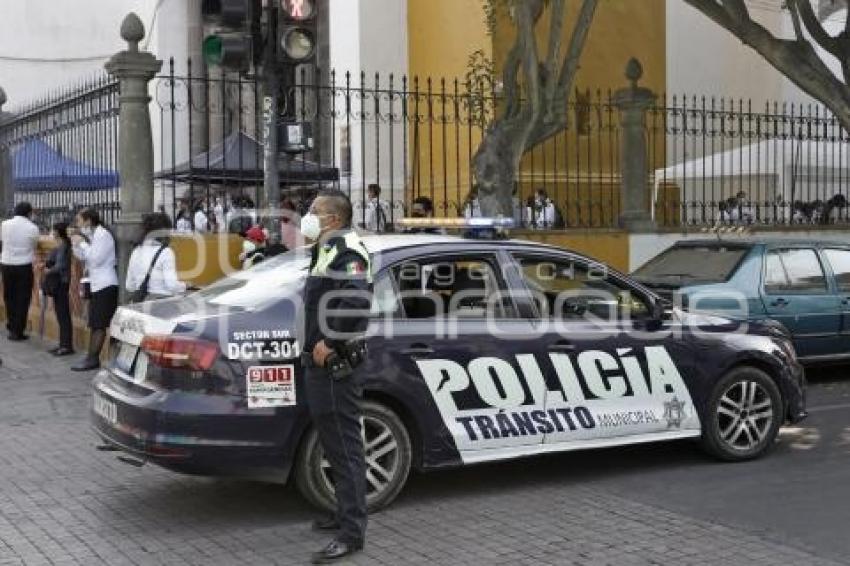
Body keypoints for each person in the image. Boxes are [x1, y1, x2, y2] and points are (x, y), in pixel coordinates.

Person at [300, 190, 372, 563]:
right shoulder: (326, 249)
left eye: (315, 211)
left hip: (336, 367)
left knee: (345, 450)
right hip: (321, 367)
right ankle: (343, 513)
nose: (307, 216)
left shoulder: (348, 252)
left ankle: (351, 533)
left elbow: (356, 302)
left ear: (334, 220)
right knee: (333, 446)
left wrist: (330, 340)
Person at [70, 208, 118, 371]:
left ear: (88, 220)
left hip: (106, 284)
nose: (78, 224)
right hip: (97, 284)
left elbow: (96, 260)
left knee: (99, 324)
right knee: (95, 323)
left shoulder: (103, 235)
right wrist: (75, 243)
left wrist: (82, 243)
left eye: (79, 220)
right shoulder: (94, 236)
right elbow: (83, 257)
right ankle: (91, 357)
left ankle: (93, 359)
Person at [0, 202, 40, 341]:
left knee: (9, 296)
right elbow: (34, 245)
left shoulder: (4, 225)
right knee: (23, 298)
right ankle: (18, 330)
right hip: (23, 265)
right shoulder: (32, 228)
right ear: (29, 213)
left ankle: (11, 326)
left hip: (6, 264)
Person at [126, 213, 187, 301]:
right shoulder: (165, 252)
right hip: (161, 304)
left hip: (140, 303)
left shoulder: (136, 251)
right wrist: (185, 285)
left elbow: (129, 286)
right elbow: (172, 286)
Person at [44, 222, 74, 356]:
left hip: (61, 282)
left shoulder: (63, 246)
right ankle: (63, 344)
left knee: (63, 314)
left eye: (53, 230)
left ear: (57, 232)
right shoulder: (61, 245)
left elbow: (60, 265)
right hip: (60, 282)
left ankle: (66, 346)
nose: (51, 232)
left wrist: (48, 270)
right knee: (61, 314)